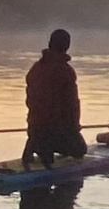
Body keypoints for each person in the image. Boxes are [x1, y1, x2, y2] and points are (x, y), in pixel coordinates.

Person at [22, 28, 86, 168]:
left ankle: (36, 145)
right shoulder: (65, 71)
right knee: (80, 150)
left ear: (50, 43)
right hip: (55, 131)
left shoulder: (35, 68)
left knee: (41, 130)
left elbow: (31, 102)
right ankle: (46, 148)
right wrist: (75, 129)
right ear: (67, 47)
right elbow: (72, 105)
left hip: (34, 129)